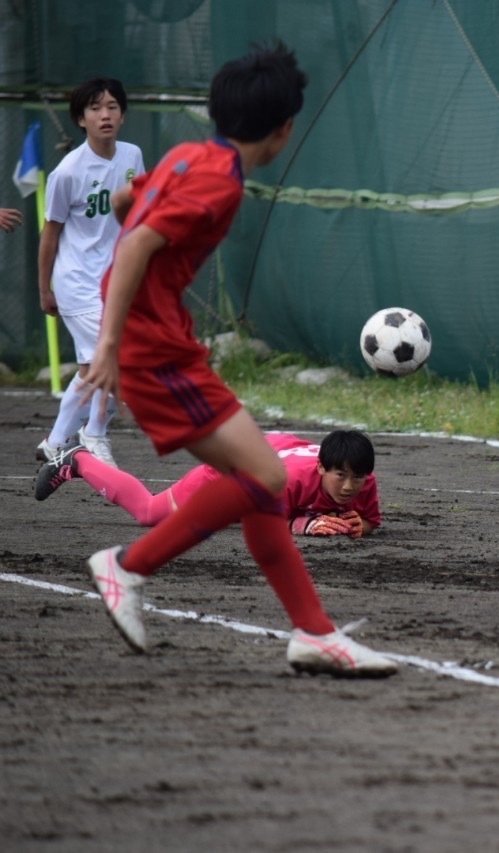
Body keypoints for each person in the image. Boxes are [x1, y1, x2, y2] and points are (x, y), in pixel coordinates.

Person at [77, 42, 396, 677]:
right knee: (266, 480)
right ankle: (128, 566)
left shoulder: (192, 154)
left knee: (262, 490)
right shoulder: (221, 182)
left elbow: (124, 207)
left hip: (165, 345)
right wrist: (110, 346)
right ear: (282, 130)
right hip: (153, 351)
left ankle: (313, 633)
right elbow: (138, 240)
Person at [36, 78, 146, 467]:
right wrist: (44, 289)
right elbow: (50, 235)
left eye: (112, 106)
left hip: (114, 281)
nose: (105, 115)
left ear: (123, 114)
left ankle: (55, 441)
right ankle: (94, 434)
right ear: (81, 119)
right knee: (111, 357)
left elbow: (138, 215)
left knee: (91, 369)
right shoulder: (68, 172)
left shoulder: (132, 156)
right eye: (96, 108)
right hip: (77, 282)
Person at [36, 430, 381, 538]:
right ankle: (78, 460)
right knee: (150, 513)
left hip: (273, 452)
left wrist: (359, 524)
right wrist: (306, 524)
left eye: (357, 477)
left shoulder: (365, 479)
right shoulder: (286, 480)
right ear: (322, 468)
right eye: (341, 475)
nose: (350, 486)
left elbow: (371, 521)